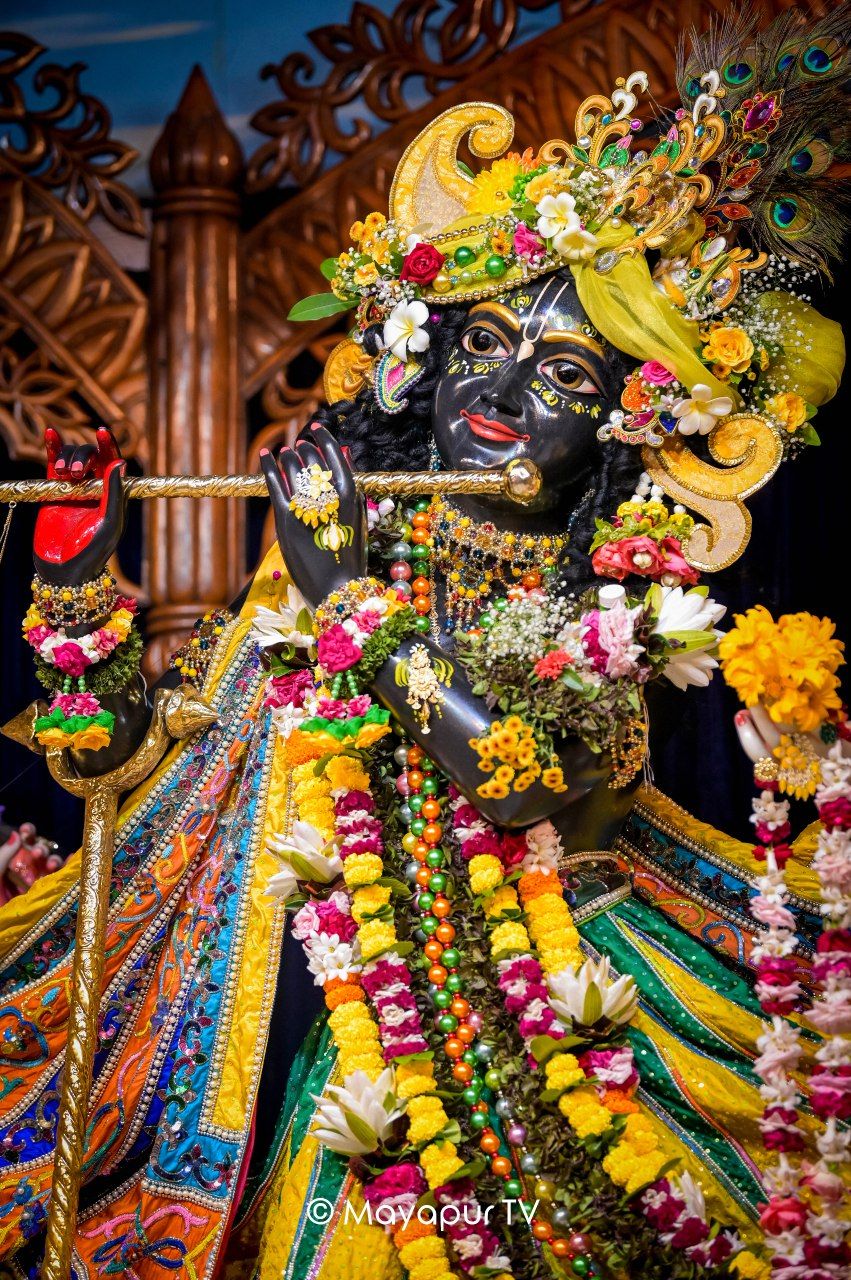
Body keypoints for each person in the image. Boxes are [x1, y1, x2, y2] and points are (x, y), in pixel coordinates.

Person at [0, 11, 848, 1279]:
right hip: (273, 1011)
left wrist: (347, 597)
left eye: (560, 379)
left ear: (624, 433)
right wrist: (76, 587)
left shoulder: (608, 597)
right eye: (485, 350)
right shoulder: (336, 546)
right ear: (425, 360)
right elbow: (127, 780)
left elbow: (523, 774)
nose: (500, 403)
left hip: (543, 1030)